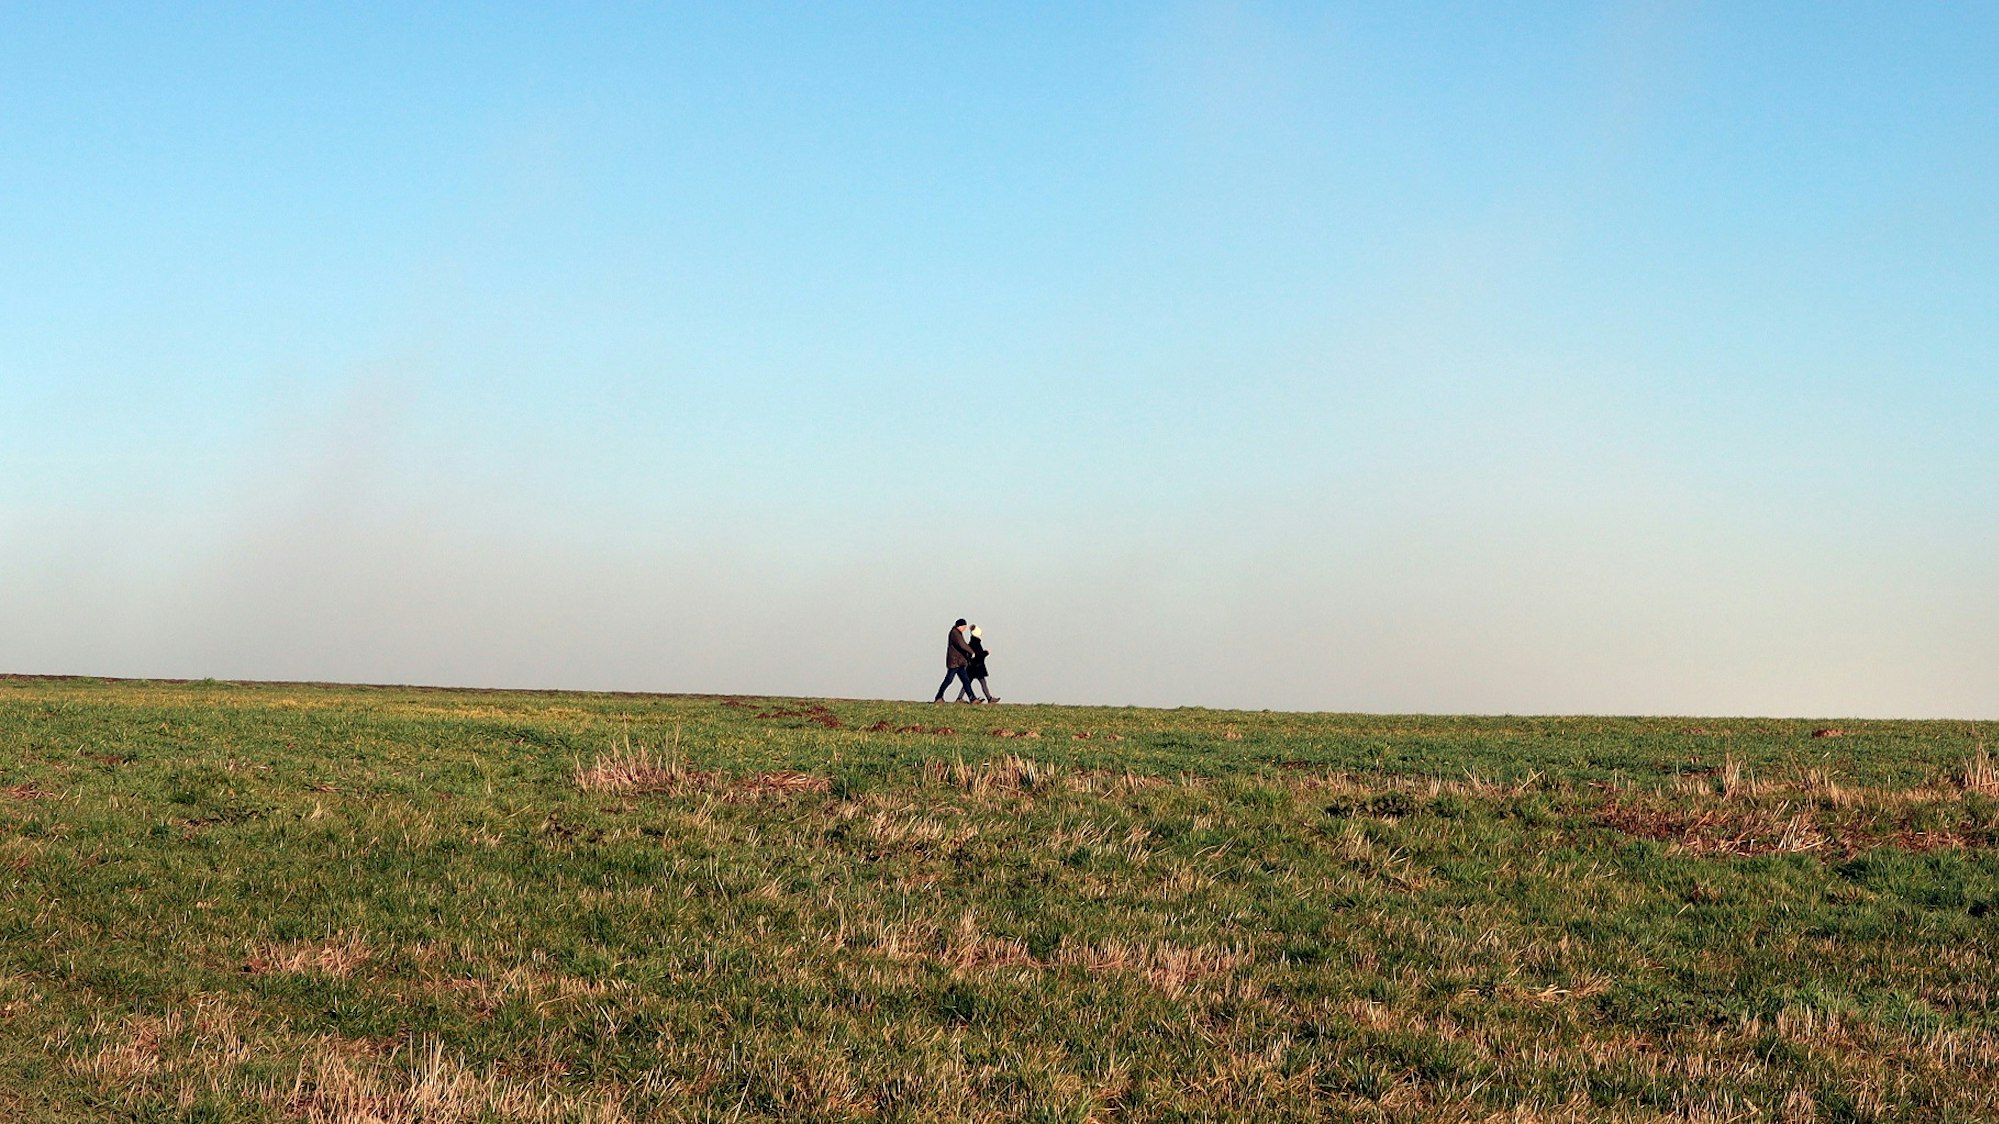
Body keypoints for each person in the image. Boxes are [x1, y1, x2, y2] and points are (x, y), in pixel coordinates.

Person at [934, 618, 977, 703]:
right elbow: (962, 644)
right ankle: (939, 697)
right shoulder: (955, 633)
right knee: (949, 680)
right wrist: (971, 652)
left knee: (966, 681)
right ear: (960, 626)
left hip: (959, 662)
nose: (965, 628)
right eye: (964, 626)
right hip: (954, 662)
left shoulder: (957, 633)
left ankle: (972, 699)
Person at [966, 625, 997, 703]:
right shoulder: (976, 643)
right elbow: (979, 655)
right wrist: (986, 653)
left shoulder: (972, 642)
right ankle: (989, 698)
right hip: (977, 666)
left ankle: (959, 698)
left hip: (972, 666)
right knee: (982, 683)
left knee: (967, 683)